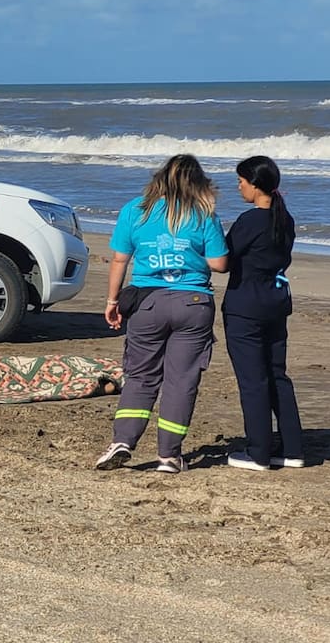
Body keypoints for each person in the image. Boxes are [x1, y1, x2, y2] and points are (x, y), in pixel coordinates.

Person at [95, 154, 228, 474]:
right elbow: (219, 264)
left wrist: (112, 301)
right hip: (193, 303)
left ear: (159, 178)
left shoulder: (135, 210)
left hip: (147, 302)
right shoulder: (203, 213)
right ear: (198, 182)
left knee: (141, 375)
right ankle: (169, 455)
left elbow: (119, 261)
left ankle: (123, 441)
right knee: (181, 381)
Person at [222, 156, 304, 471]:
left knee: (253, 379)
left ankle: (258, 451)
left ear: (255, 185)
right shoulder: (285, 219)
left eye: (241, 182)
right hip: (276, 301)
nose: (238, 187)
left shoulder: (251, 220)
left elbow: (225, 260)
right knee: (277, 375)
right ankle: (293, 448)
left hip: (247, 306)